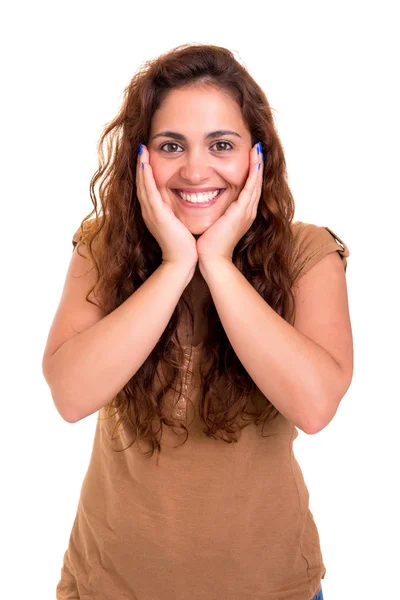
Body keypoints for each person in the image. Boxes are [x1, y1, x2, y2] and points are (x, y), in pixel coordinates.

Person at [42, 43, 353, 600]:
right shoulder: (101, 247)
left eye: (222, 145)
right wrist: (175, 263)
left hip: (273, 589)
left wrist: (217, 262)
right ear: (141, 157)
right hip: (108, 588)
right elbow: (69, 394)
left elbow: (315, 405)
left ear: (257, 157)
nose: (194, 169)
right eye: (170, 146)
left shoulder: (309, 253)